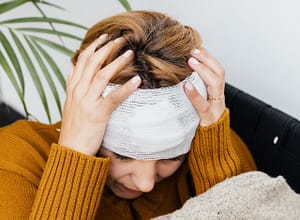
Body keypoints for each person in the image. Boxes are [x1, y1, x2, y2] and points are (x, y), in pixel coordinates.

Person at [0, 10, 256, 219]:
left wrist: (213, 153)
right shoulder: (15, 161)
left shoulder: (212, 147)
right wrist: (76, 154)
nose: (145, 184)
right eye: (122, 155)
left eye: (173, 157)